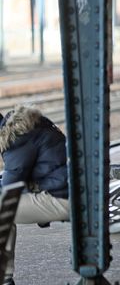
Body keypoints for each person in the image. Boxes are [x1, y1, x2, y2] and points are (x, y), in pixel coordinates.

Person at [0, 106, 70, 285]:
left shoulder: (15, 137)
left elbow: (10, 187)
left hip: (64, 198)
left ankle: (4, 278)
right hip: (73, 190)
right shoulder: (31, 127)